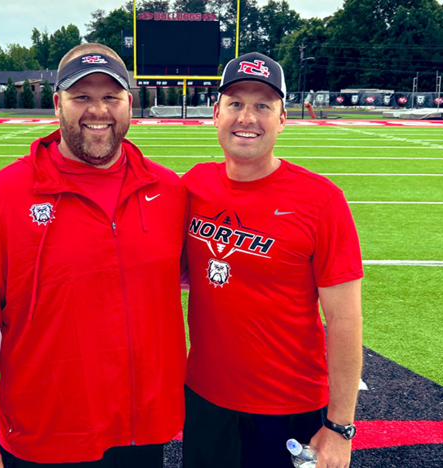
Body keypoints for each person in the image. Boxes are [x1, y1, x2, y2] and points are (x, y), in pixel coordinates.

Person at [0, 43, 187, 468]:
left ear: (130, 103)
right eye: (82, 97)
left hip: (142, 434)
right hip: (46, 440)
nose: (98, 110)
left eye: (111, 96)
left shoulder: (168, 191)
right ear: (58, 104)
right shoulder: (1, 197)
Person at [182, 52, 364, 468]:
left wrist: (340, 427)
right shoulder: (193, 186)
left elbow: (344, 320)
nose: (248, 117)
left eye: (263, 105)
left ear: (283, 118)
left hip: (289, 408)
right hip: (205, 400)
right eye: (236, 104)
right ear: (216, 114)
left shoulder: (322, 201)